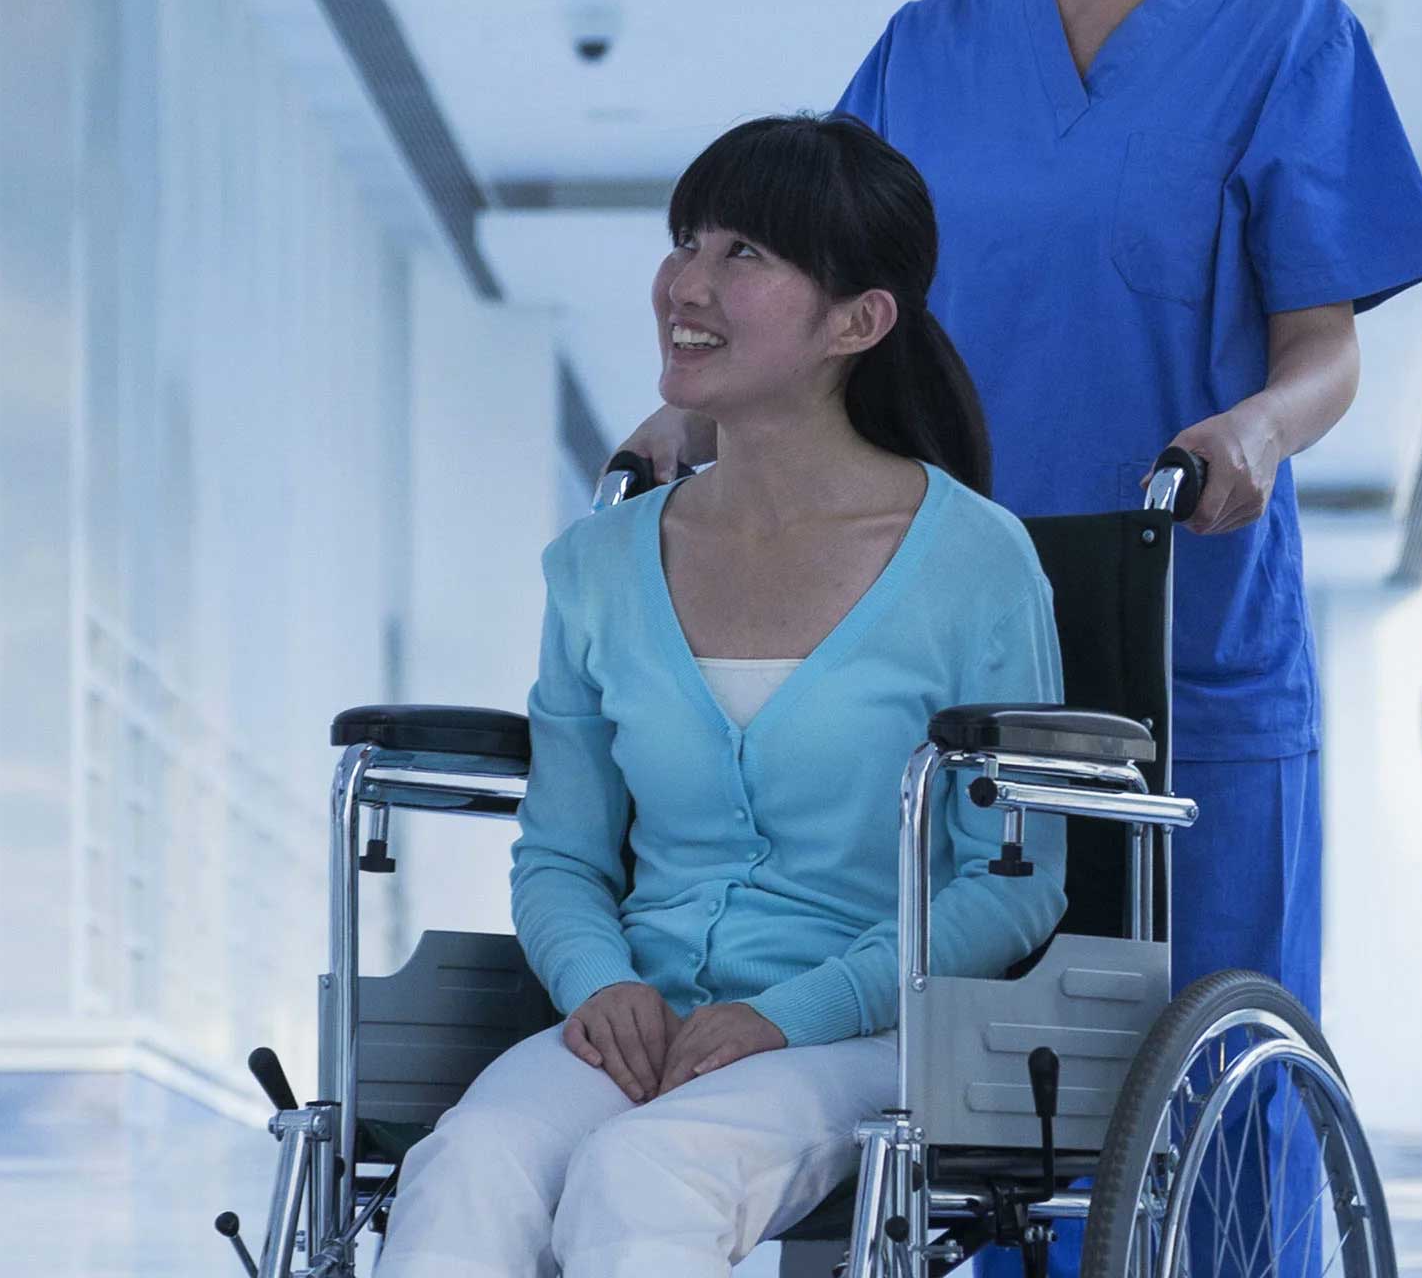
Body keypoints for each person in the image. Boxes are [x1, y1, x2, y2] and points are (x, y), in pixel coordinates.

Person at [617, 0, 1422, 1035]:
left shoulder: (1288, 39)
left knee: (1200, 1073)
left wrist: (1258, 425)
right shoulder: (929, 48)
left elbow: (1324, 350)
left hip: (1180, 624)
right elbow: (820, 310)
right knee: (939, 1076)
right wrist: (691, 416)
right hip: (933, 625)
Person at [380, 115, 1063, 1278]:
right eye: (686, 239)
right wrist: (601, 985)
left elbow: (1014, 881)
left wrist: (789, 1011)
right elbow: (561, 854)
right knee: (470, 1164)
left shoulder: (974, 563)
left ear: (858, 320)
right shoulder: (598, 566)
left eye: (743, 252)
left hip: (864, 1029)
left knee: (650, 1170)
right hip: (634, 1016)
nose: (686, 282)